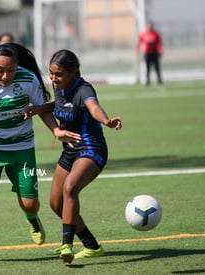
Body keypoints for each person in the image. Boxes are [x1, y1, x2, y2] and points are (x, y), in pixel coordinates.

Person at [0, 43, 82, 264]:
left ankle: (32, 219)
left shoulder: (28, 79)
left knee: (30, 204)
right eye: (0, 70)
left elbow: (40, 109)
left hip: (22, 148)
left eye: (10, 70)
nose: (5, 75)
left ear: (17, 66)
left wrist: (56, 130)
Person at [27, 49, 122, 264]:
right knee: (55, 203)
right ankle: (91, 246)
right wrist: (40, 108)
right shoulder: (59, 87)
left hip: (91, 149)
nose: (53, 78)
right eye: (51, 73)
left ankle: (66, 245)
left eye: (58, 74)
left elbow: (93, 107)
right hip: (70, 151)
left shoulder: (84, 89)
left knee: (70, 188)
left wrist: (106, 121)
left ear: (73, 73)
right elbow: (61, 106)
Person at [136, 20, 163, 89]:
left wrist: (160, 51)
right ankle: (148, 84)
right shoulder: (143, 34)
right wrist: (138, 53)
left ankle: (160, 84)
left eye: (150, 25)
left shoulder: (155, 34)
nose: (149, 26)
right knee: (148, 70)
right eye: (148, 25)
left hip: (155, 54)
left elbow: (159, 43)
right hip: (147, 54)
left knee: (157, 69)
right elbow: (139, 44)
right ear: (146, 26)